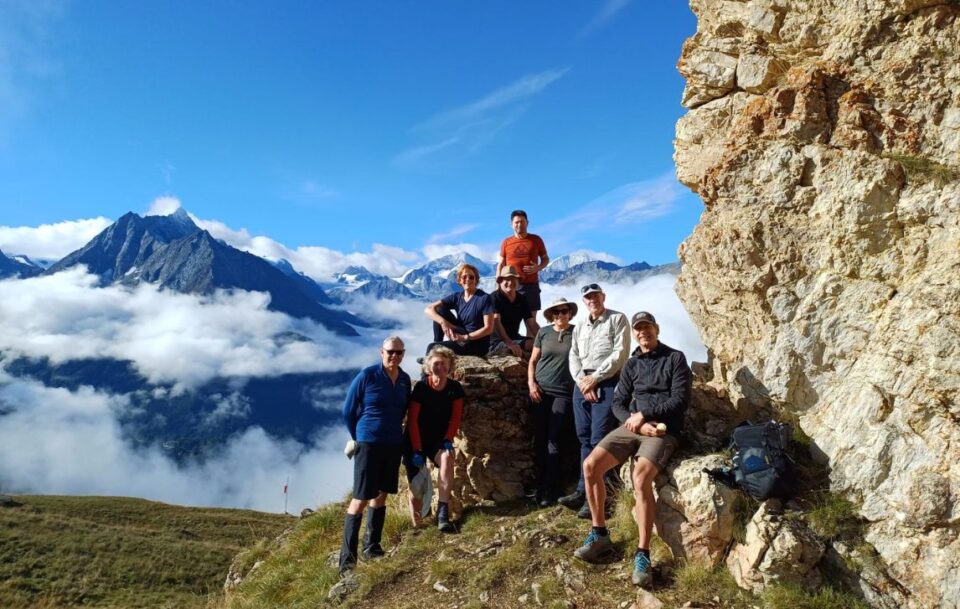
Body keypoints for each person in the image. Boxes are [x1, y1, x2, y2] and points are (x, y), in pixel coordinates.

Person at [572, 311, 692, 588]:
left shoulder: (674, 358)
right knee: (590, 466)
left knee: (640, 478)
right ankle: (599, 532)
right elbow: (618, 402)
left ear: (656, 329)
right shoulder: (632, 363)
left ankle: (642, 554)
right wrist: (634, 421)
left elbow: (680, 400)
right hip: (634, 427)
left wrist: (646, 415)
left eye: (647, 327)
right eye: (638, 330)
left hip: (663, 429)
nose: (642, 333)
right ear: (634, 334)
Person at [338, 336, 413, 577]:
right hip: (368, 442)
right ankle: (347, 561)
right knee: (360, 498)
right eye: (391, 352)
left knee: (381, 494)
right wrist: (358, 436)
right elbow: (348, 410)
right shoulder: (367, 376)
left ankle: (372, 546)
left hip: (393, 443)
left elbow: (403, 410)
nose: (395, 356)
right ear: (381, 351)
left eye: (399, 352)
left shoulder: (404, 380)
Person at [559, 283, 630, 519]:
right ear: (584, 302)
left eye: (596, 296)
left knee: (600, 439)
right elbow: (574, 355)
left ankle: (602, 496)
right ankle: (583, 490)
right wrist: (582, 381)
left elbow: (619, 354)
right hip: (582, 384)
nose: (592, 300)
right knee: (584, 438)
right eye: (588, 297)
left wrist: (595, 379)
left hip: (607, 382)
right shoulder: (580, 325)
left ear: (603, 297)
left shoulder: (617, 319)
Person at [403, 345, 464, 532]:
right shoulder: (421, 388)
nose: (441, 368)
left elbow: (455, 418)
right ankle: (417, 524)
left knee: (447, 457)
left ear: (450, 367)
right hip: (415, 440)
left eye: (445, 364)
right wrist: (417, 449)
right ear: (429, 367)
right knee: (416, 488)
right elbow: (412, 421)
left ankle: (443, 511)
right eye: (436, 364)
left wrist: (448, 439)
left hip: (438, 440)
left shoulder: (455, 389)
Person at [527, 297, 577, 506]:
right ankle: (541, 485)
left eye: (563, 311)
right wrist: (531, 384)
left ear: (570, 313)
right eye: (556, 312)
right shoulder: (544, 332)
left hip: (563, 393)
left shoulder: (577, 332)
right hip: (540, 391)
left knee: (554, 439)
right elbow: (533, 361)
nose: (560, 315)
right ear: (551, 315)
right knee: (540, 438)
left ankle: (550, 488)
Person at [424, 263, 496, 357]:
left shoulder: (484, 298)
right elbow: (428, 309)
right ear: (459, 280)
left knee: (431, 348)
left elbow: (488, 329)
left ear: (476, 280)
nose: (467, 280)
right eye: (464, 277)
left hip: (476, 344)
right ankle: (438, 344)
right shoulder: (457, 297)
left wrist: (466, 337)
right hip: (461, 335)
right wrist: (443, 322)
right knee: (439, 310)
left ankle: (429, 363)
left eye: (471, 277)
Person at [496, 210, 548, 314]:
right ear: (512, 224)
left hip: (531, 285)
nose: (519, 224)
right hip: (511, 286)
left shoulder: (536, 240)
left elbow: (545, 259)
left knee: (531, 321)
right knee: (509, 321)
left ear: (527, 223)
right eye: (516, 222)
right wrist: (498, 284)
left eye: (522, 222)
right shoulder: (506, 242)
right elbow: (501, 264)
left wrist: (538, 267)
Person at [489, 265, 540, 357]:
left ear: (518, 282)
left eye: (513, 279)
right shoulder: (494, 298)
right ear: (500, 282)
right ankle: (524, 355)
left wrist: (545, 339)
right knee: (526, 347)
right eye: (506, 279)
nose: (510, 282)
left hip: (515, 338)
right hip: (496, 342)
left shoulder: (521, 299)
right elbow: (496, 321)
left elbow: (531, 322)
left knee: (537, 344)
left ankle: (524, 355)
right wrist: (509, 343)